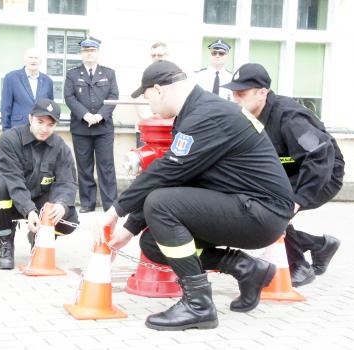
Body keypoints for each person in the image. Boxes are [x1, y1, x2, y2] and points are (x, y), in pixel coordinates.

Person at [98, 60, 295, 331]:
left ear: (158, 90)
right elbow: (179, 175)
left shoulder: (207, 115)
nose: (148, 105)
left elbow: (167, 172)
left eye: (146, 97)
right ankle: (244, 268)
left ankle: (198, 305)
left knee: (161, 205)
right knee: (154, 244)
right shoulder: (196, 112)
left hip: (262, 211)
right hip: (245, 206)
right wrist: (131, 229)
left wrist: (115, 211)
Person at [223, 63, 343, 287]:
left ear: (262, 92)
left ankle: (299, 268)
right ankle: (319, 245)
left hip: (324, 173)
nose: (235, 99)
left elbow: (319, 156)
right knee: (263, 205)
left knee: (275, 207)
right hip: (288, 173)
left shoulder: (290, 117)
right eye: (233, 94)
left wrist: (297, 200)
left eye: (241, 93)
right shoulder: (247, 115)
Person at [0, 98, 79, 269]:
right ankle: (5, 244)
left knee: (69, 217)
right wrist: (29, 210)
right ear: (30, 118)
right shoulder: (10, 139)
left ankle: (40, 239)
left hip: (41, 200)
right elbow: (13, 180)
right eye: (40, 122)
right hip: (13, 201)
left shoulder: (60, 147)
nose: (44, 129)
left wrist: (62, 205)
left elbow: (67, 181)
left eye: (50, 124)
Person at [64, 36, 118, 213]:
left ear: (98, 53)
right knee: (84, 166)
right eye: (86, 51)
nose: (89, 54)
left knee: (107, 166)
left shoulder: (109, 73)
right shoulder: (72, 74)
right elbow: (69, 97)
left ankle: (110, 204)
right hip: (81, 127)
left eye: (92, 51)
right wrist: (85, 115)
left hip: (103, 128)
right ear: (81, 53)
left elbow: (113, 97)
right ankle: (87, 203)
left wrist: (100, 116)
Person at [1, 48, 54, 131]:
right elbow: (6, 106)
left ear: (40, 61)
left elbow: (50, 107)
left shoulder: (48, 81)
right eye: (30, 57)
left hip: (40, 130)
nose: (33, 60)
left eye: (36, 58)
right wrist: (6, 130)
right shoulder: (11, 78)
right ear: (25, 60)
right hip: (18, 128)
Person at [135, 41, 169, 147]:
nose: (156, 58)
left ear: (167, 56)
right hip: (147, 128)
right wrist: (154, 119)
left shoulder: (175, 74)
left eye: (160, 55)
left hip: (168, 128)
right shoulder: (143, 74)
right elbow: (138, 99)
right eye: (153, 55)